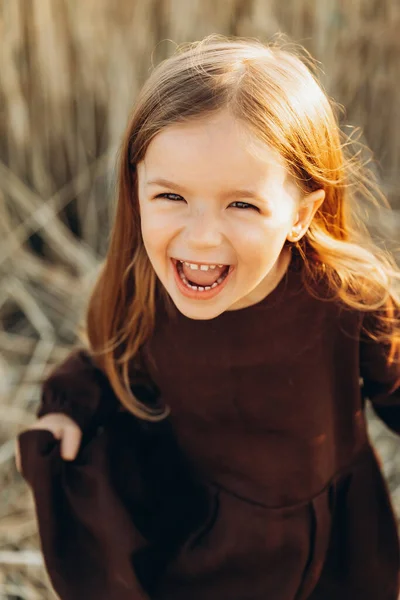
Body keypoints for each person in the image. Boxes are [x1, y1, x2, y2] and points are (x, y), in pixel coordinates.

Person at [15, 34, 400, 600]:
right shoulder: (147, 298)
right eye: (170, 197)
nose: (200, 237)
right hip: (214, 554)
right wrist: (66, 414)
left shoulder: (346, 300)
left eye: (241, 204)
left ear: (300, 213)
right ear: (136, 188)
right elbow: (105, 364)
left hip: (339, 555)